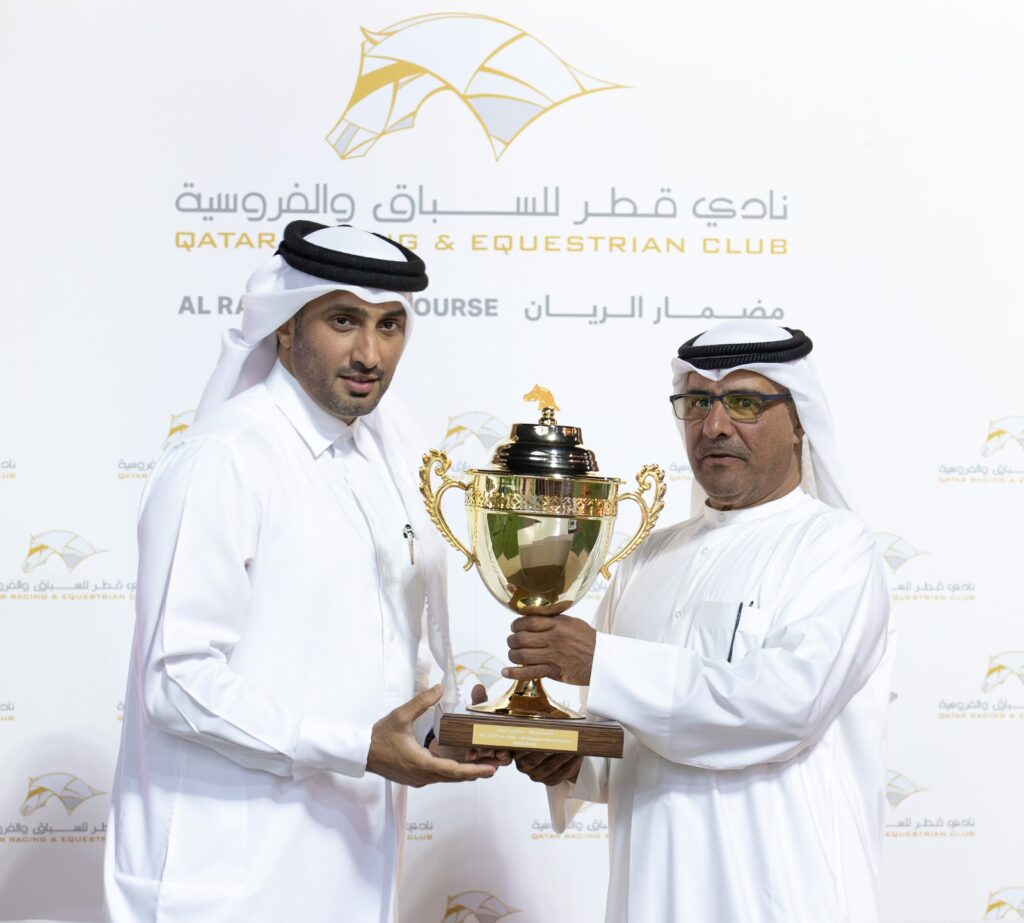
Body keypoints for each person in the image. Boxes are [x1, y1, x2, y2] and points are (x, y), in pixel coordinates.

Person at [103, 223, 505, 923]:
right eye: (343, 320)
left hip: (350, 868)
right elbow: (176, 680)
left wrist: (440, 728)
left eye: (389, 325)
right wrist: (357, 747)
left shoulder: (387, 460)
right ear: (285, 327)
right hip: (228, 879)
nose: (369, 353)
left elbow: (375, 652)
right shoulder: (225, 458)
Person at [506, 321, 894, 922]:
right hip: (649, 899)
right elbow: (631, 737)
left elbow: (785, 708)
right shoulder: (647, 558)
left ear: (799, 421)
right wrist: (566, 758)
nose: (714, 426)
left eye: (744, 403)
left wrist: (601, 662)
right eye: (697, 403)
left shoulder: (837, 550)